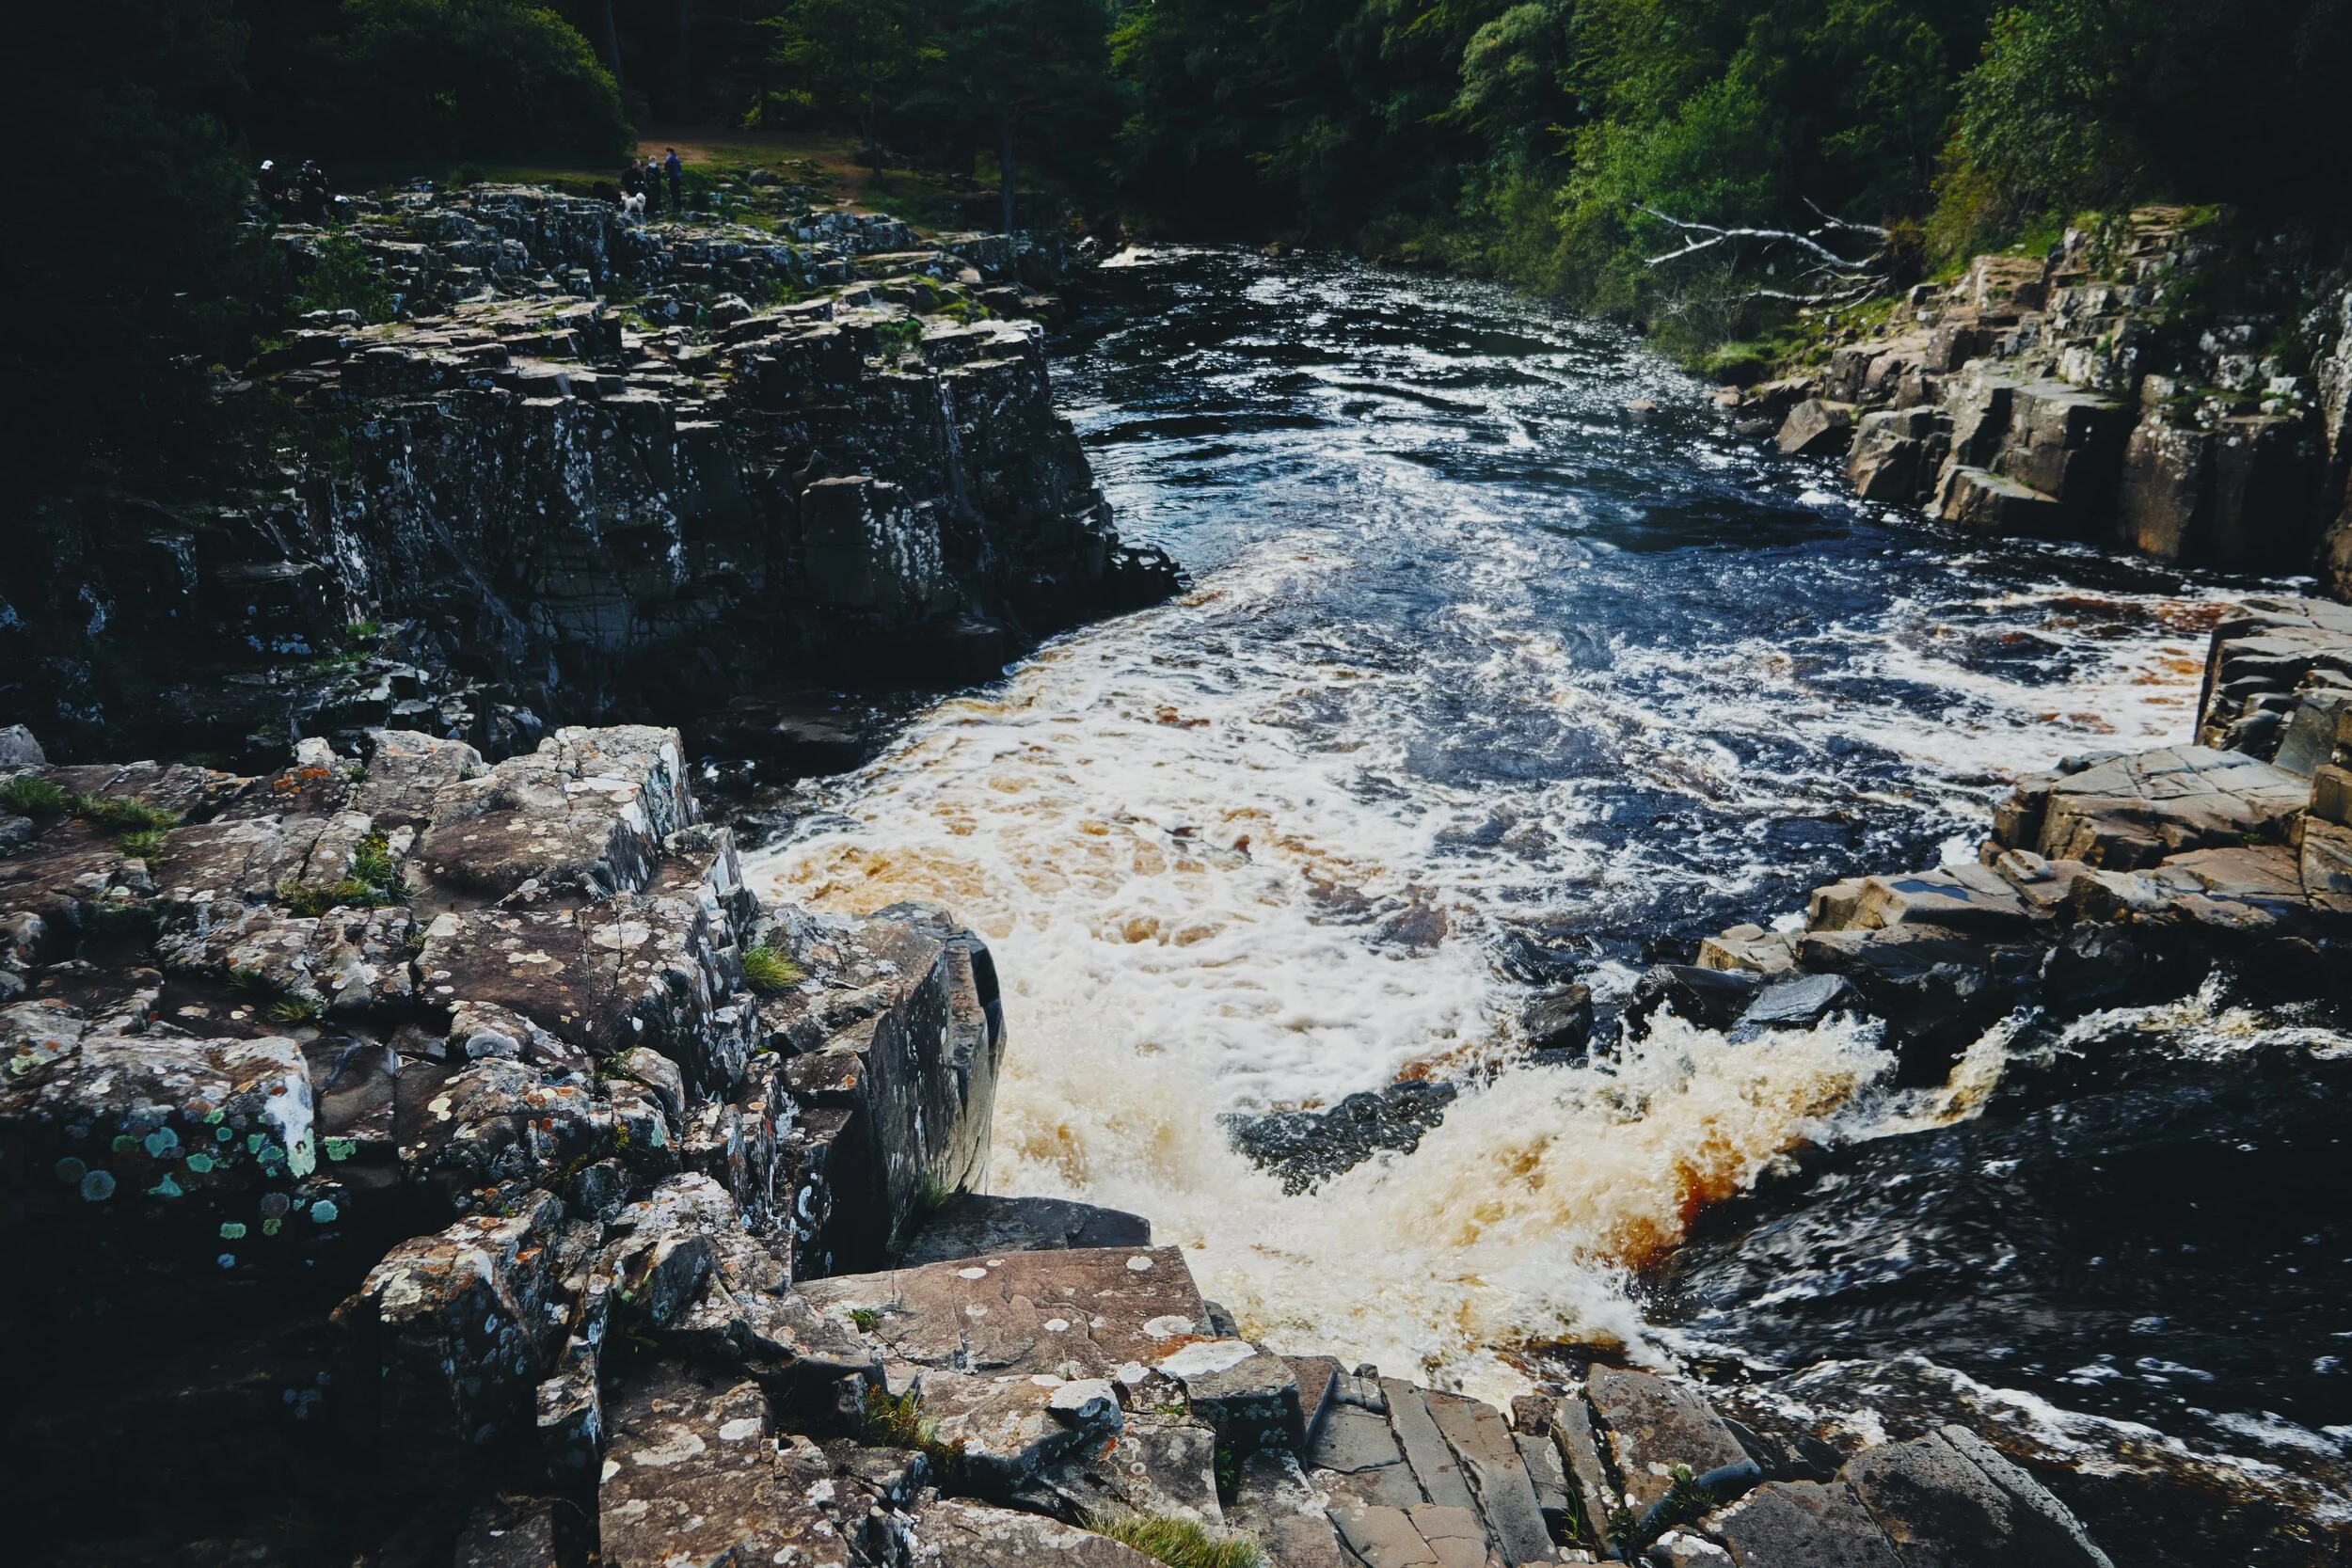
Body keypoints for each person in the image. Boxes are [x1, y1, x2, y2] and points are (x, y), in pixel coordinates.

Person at [663, 149, 683, 213]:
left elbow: (666, 166)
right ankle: (679, 207)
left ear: (669, 152)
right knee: (678, 192)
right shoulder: (677, 159)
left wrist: (666, 173)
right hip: (678, 178)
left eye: (667, 152)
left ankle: (675, 207)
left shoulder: (669, 158)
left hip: (672, 177)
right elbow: (680, 169)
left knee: (673, 192)